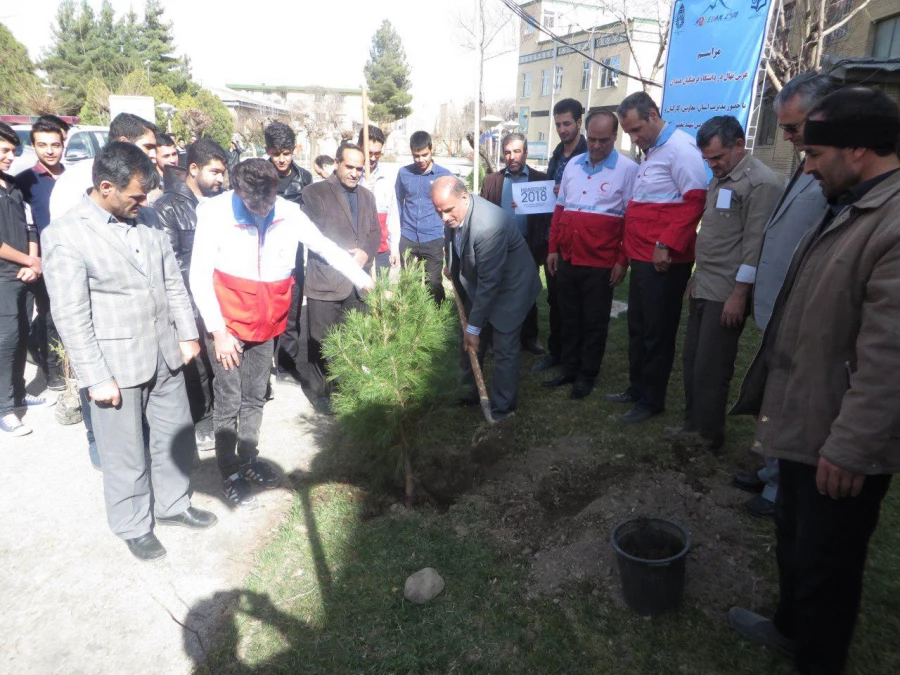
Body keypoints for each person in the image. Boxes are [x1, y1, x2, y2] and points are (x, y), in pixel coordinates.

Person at [728, 86, 900, 675]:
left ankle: (816, 658)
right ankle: (788, 628)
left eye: (815, 154)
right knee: (794, 534)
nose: (806, 167)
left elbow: (889, 358)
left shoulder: (891, 224)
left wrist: (851, 447)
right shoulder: (849, 201)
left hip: (840, 437)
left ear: (858, 149)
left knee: (829, 563)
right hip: (806, 417)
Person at [42, 142, 217, 561]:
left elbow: (172, 281)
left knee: (174, 436)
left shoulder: (148, 218)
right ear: (106, 187)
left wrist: (187, 333)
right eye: (136, 196)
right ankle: (133, 524)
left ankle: (173, 504)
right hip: (114, 366)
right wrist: (96, 376)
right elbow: (70, 315)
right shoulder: (65, 235)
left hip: (165, 353)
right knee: (125, 453)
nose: (144, 203)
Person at [190, 158, 373, 507]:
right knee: (229, 399)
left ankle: (248, 458)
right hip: (228, 325)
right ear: (238, 191)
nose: (263, 210)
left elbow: (325, 247)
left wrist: (364, 281)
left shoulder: (289, 212)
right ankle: (229, 471)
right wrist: (218, 331)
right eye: (253, 205)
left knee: (255, 395)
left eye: (269, 201)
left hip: (267, 322)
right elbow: (198, 275)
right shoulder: (214, 213)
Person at [732, 70, 835, 519]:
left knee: (794, 400)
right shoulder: (807, 161)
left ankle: (781, 488)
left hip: (807, 309)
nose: (788, 136)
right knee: (776, 392)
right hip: (779, 300)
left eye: (793, 127)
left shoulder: (836, 172)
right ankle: (771, 468)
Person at [48, 112, 158, 470]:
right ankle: (98, 442)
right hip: (103, 333)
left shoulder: (138, 193)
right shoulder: (75, 189)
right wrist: (95, 376)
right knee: (110, 428)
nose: (153, 154)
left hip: (139, 339)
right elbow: (71, 307)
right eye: (147, 147)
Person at [671, 116, 782, 451]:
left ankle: (708, 438)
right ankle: (693, 426)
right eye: (707, 159)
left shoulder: (760, 183)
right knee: (693, 360)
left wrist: (739, 294)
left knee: (712, 366)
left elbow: (755, 245)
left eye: (717, 157)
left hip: (727, 292)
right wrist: (695, 277)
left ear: (739, 145)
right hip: (705, 284)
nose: (712, 165)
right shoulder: (721, 178)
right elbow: (716, 235)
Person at [605, 92, 706, 424]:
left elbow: (695, 201)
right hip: (642, 257)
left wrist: (666, 243)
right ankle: (637, 389)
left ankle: (651, 400)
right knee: (638, 327)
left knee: (657, 332)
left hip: (663, 261)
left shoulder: (681, 149)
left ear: (653, 114)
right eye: (629, 133)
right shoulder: (652, 151)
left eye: (636, 130)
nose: (634, 138)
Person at [543, 111, 637, 399]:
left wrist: (622, 261)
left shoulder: (628, 170)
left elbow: (631, 220)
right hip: (569, 257)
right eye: (592, 139)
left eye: (603, 140)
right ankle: (569, 368)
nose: (596, 145)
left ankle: (586, 374)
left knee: (594, 321)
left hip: (601, 262)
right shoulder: (573, 165)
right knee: (569, 317)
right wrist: (553, 248)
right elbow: (561, 209)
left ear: (615, 137)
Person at [435, 176, 541, 420]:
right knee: (469, 340)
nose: (443, 217)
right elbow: (455, 242)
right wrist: (452, 266)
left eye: (447, 210)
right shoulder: (453, 212)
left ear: (464, 197)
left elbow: (490, 283)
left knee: (504, 346)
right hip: (481, 281)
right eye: (438, 211)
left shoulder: (489, 226)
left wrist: (474, 327)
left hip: (511, 288)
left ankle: (503, 409)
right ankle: (467, 392)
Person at [154, 138, 228, 452]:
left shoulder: (224, 202)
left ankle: (225, 414)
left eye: (223, 172)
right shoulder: (167, 207)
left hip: (223, 297)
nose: (221, 179)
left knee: (222, 361)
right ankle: (203, 418)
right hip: (190, 300)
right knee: (197, 366)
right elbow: (170, 263)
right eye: (215, 172)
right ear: (194, 169)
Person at [301, 144, 381, 415]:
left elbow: (374, 232)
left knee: (352, 340)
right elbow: (315, 235)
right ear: (337, 163)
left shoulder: (367, 196)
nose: (355, 173)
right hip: (326, 281)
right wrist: (346, 256)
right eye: (350, 167)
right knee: (321, 342)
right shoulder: (314, 193)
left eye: (360, 168)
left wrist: (366, 252)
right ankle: (320, 393)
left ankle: (346, 390)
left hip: (356, 285)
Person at [480, 133, 552, 357]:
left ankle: (528, 338)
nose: (512, 156)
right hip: (498, 246)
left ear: (526, 152)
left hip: (528, 245)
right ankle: (494, 337)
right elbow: (482, 213)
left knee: (527, 293)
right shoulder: (492, 181)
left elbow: (548, 217)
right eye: (508, 152)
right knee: (496, 291)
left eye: (517, 151)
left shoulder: (541, 180)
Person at [0, 122, 47, 438]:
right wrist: (30, 260)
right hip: (3, 278)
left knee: (20, 337)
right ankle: (5, 408)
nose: (10, 156)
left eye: (13, 151)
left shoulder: (14, 185)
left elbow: (31, 227)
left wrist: (34, 262)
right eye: (4, 150)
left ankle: (17, 393)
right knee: (6, 341)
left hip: (24, 275)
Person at [534, 99, 587, 372]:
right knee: (554, 298)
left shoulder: (589, 153)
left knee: (575, 302)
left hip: (578, 239)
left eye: (567, 123)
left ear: (579, 122)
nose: (562, 129)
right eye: (558, 124)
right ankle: (555, 352)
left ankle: (574, 356)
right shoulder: (556, 153)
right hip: (552, 237)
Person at [14, 117, 67, 391]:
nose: (50, 151)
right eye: (42, 145)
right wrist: (32, 259)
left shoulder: (73, 178)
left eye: (55, 145)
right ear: (33, 146)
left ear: (63, 145)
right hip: (45, 262)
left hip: (73, 258)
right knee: (48, 316)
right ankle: (54, 371)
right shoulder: (25, 182)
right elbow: (22, 225)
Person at [264, 121, 314, 389]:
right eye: (276, 153)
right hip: (263, 254)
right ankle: (262, 370)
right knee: (265, 314)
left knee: (292, 313)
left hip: (294, 256)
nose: (281, 159)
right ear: (267, 151)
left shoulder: (304, 178)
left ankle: (287, 364)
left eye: (286, 153)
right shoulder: (259, 175)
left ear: (295, 149)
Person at [395, 130, 453, 302]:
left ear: (431, 149)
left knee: (433, 283)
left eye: (424, 155)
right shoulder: (403, 173)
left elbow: (452, 208)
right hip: (408, 237)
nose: (421, 160)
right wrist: (398, 234)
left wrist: (448, 240)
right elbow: (397, 203)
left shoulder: (444, 175)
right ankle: (411, 315)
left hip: (433, 238)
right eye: (416, 156)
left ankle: (437, 316)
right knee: (408, 284)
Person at [358, 125, 400, 274]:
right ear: (360, 146)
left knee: (381, 286)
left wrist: (394, 248)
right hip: (358, 248)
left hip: (381, 249)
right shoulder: (352, 176)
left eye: (377, 154)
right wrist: (361, 190)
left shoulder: (386, 178)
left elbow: (393, 215)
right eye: (369, 153)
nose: (373, 158)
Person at [151, 132, 179, 199]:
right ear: (154, 158)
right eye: (166, 156)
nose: (173, 160)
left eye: (174, 154)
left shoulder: (183, 180)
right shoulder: (149, 185)